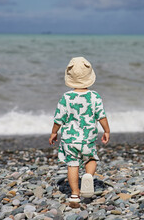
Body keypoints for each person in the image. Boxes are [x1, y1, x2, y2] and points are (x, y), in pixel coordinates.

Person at [49, 57, 110, 208]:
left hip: (69, 139)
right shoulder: (94, 96)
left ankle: (75, 194)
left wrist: (53, 133)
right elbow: (101, 115)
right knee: (90, 159)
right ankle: (88, 176)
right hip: (87, 138)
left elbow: (59, 118)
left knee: (72, 164)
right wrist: (107, 130)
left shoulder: (66, 97)